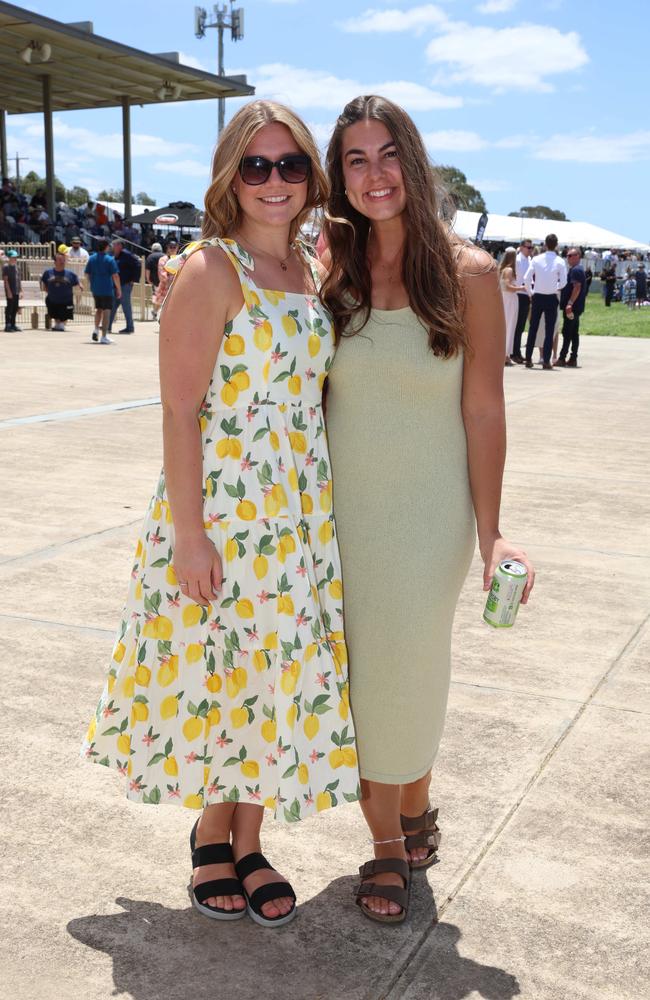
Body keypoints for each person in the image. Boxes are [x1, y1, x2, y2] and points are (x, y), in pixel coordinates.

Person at [81, 99, 359, 928]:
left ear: (312, 175)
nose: (275, 182)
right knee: (222, 673)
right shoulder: (211, 270)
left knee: (271, 679)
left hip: (299, 515)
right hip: (226, 511)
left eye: (292, 165)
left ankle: (251, 837)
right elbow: (177, 411)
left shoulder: (316, 267)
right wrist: (191, 531)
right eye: (256, 166)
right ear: (230, 177)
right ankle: (214, 838)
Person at [320, 94, 535, 924]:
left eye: (387, 155)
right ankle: (407, 812)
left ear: (414, 160)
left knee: (400, 674)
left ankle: (384, 848)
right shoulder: (327, 269)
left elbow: (484, 410)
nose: (374, 175)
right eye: (355, 159)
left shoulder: (470, 274)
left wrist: (493, 533)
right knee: (363, 681)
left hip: (427, 518)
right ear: (340, 176)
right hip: (335, 515)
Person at [524, 234, 567, 369]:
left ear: (545, 244)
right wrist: (555, 287)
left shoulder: (536, 259)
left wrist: (531, 293)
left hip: (537, 296)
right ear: (556, 245)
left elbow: (526, 278)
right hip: (551, 297)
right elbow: (564, 282)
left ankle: (528, 358)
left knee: (533, 328)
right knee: (549, 331)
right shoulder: (560, 261)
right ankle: (546, 361)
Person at [84, 238, 121, 344]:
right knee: (106, 312)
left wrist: (91, 283)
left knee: (98, 309)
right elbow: (115, 276)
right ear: (106, 247)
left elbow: (87, 274)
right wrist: (118, 289)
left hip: (96, 288)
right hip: (107, 289)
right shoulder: (110, 259)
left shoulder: (91, 258)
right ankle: (104, 336)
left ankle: (96, 329)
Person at [555, 248, 587, 368]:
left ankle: (562, 358)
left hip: (572, 307)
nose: (568, 258)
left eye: (570, 255)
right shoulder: (577, 269)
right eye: (567, 255)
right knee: (573, 333)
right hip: (575, 307)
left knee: (567, 332)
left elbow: (577, 287)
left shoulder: (576, 270)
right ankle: (573, 358)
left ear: (578, 256)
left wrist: (569, 303)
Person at [498, 247, 525, 366]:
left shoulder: (502, 269)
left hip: (506, 299)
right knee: (509, 326)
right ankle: (505, 355)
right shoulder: (509, 270)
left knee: (507, 325)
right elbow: (508, 286)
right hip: (509, 299)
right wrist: (521, 288)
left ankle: (505, 354)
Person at [40, 251, 80, 331]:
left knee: (66, 313)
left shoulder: (70, 273)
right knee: (54, 312)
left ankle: (61, 324)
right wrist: (49, 292)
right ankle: (58, 324)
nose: (62, 262)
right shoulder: (48, 272)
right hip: (53, 299)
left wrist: (80, 285)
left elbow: (77, 280)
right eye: (60, 260)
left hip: (66, 300)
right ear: (55, 262)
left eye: (63, 260)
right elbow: (44, 284)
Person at [109, 239, 141, 333]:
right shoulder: (115, 256)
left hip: (125, 284)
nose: (113, 247)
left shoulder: (127, 255)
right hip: (117, 285)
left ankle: (130, 327)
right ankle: (108, 326)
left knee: (126, 306)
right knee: (113, 306)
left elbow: (138, 265)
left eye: (114, 245)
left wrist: (133, 279)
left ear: (120, 246)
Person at [511, 239, 533, 363]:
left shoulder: (530, 261)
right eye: (528, 247)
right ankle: (514, 352)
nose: (530, 250)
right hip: (518, 293)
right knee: (517, 325)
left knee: (521, 326)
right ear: (522, 247)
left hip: (526, 295)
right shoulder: (517, 260)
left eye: (531, 248)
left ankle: (517, 352)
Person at [152, 238, 178, 317]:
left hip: (177, 286)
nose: (173, 249)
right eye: (171, 247)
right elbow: (162, 274)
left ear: (177, 248)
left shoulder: (180, 259)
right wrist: (168, 281)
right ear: (167, 248)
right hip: (165, 287)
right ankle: (155, 312)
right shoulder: (163, 259)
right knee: (161, 306)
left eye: (174, 247)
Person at [2, 248, 22, 331]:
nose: (15, 259)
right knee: (9, 308)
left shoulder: (17, 267)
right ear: (9, 258)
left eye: (16, 257)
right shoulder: (6, 267)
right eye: (13, 257)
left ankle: (13, 324)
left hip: (16, 291)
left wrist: (21, 291)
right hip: (10, 291)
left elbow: (18, 280)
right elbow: (6, 280)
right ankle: (8, 325)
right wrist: (9, 291)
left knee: (15, 308)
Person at [145, 241, 164, 320]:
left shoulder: (150, 257)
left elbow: (147, 270)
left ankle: (155, 311)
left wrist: (148, 279)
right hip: (163, 280)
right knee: (161, 297)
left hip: (154, 281)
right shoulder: (164, 256)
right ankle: (155, 312)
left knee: (156, 296)